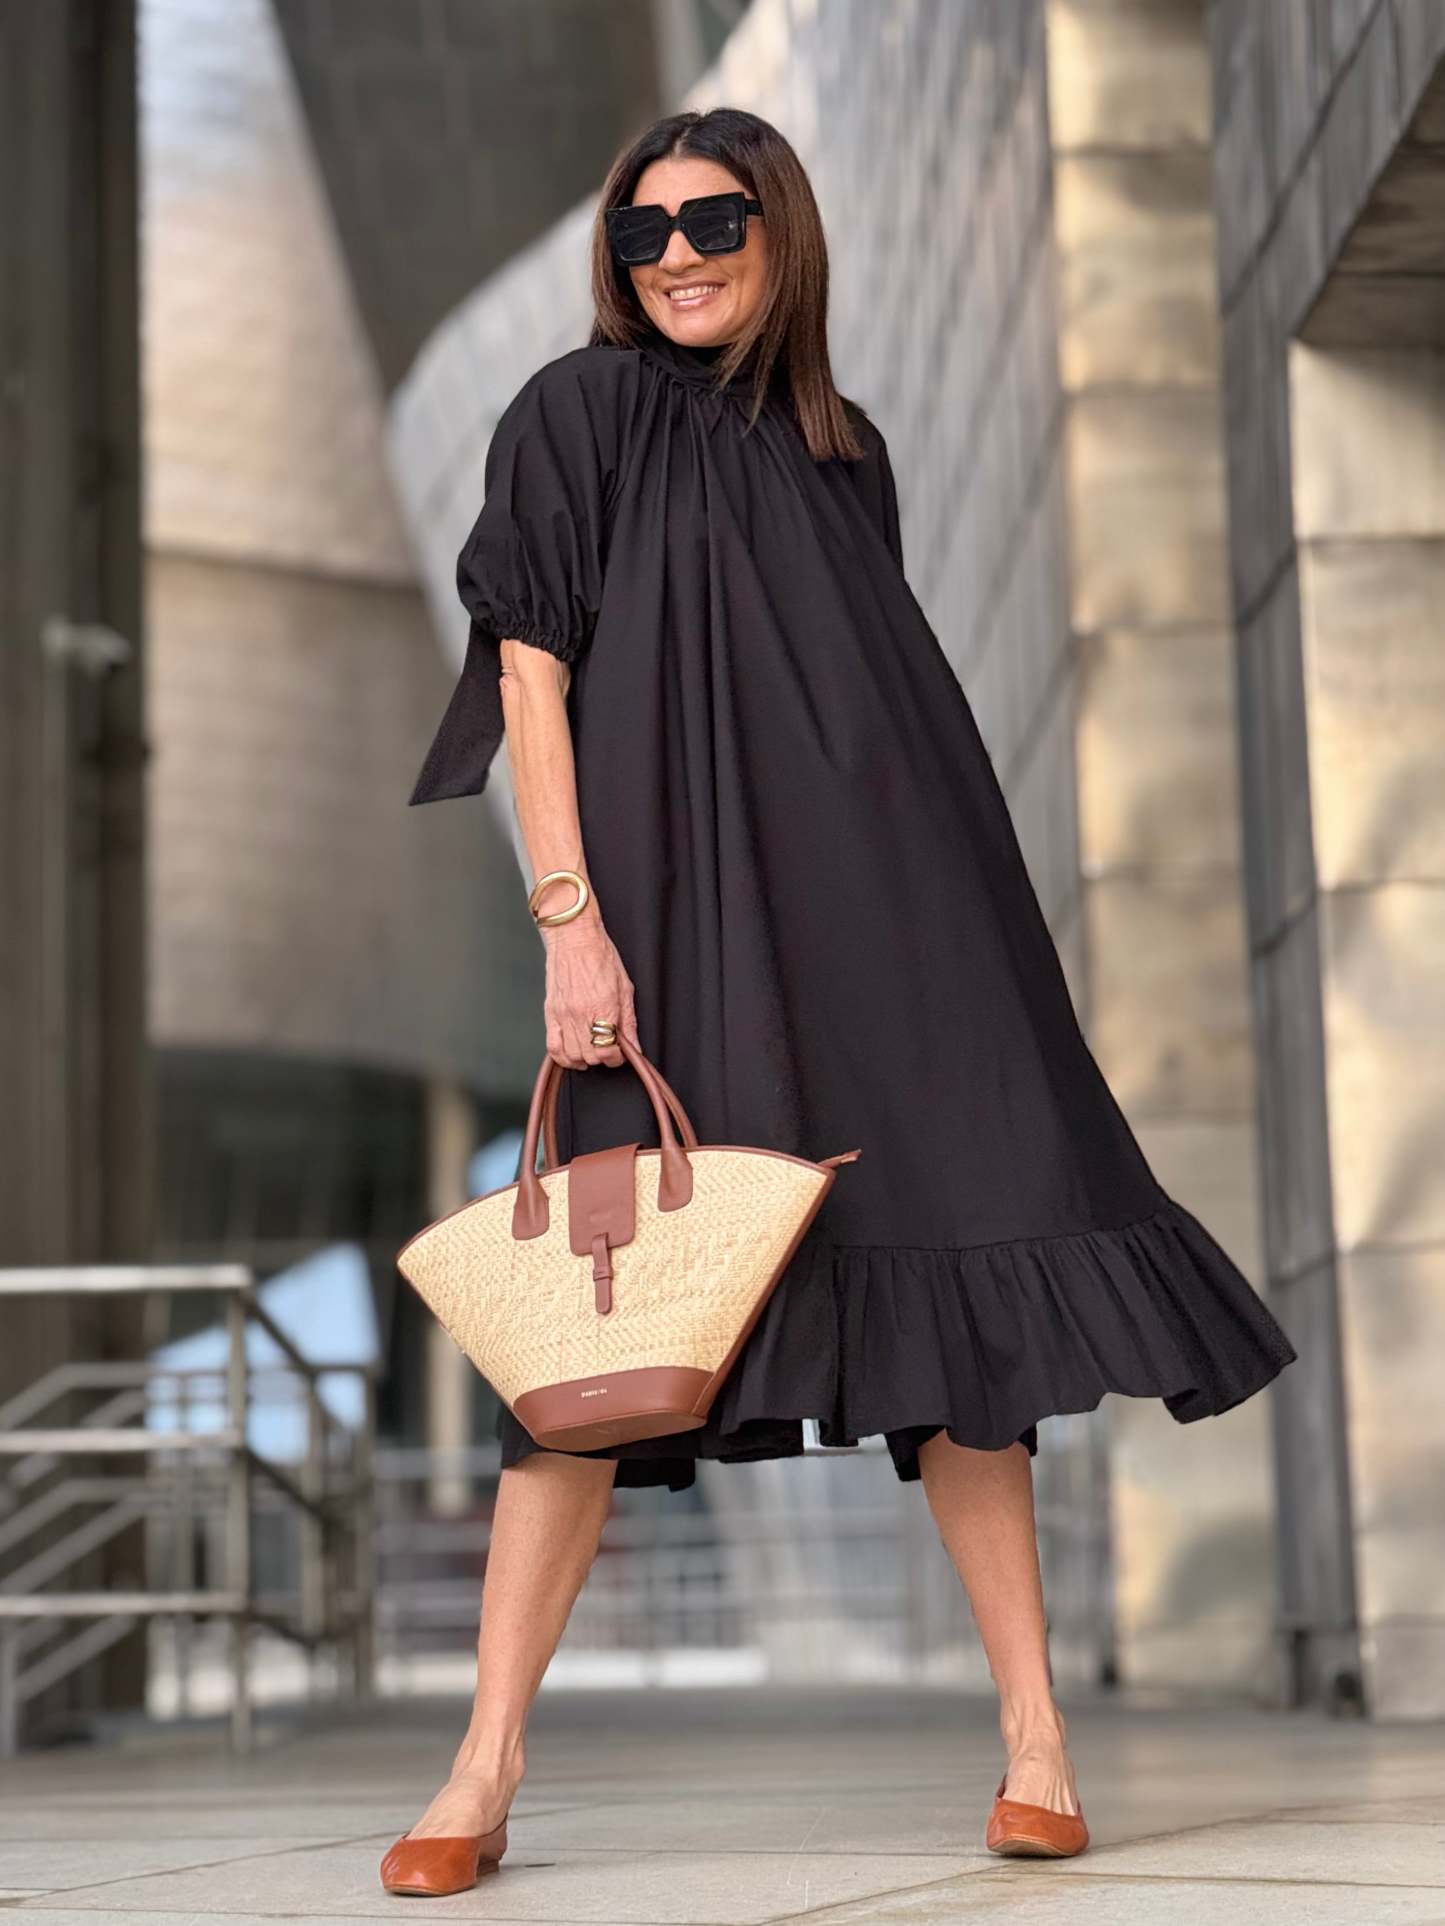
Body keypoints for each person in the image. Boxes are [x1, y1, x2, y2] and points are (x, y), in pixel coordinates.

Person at [380, 106, 1298, 1897]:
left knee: (964, 1304)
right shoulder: (575, 411)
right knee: (591, 1338)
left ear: (780, 229)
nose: (676, 255)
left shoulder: (840, 444)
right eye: (642, 232)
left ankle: (1034, 1740)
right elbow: (531, 675)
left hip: (905, 920)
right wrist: (569, 921)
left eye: (713, 220)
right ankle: (482, 1766)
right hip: (671, 925)